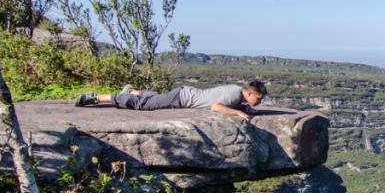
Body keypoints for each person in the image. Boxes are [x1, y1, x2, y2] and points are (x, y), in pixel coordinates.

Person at [74, 80, 267, 122]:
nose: (259, 102)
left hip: (183, 95)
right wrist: (240, 113)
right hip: (181, 97)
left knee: (156, 99)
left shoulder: (236, 94)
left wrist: (243, 107)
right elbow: (216, 108)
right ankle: (97, 97)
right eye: (258, 99)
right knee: (144, 105)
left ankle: (132, 91)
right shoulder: (233, 94)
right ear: (250, 93)